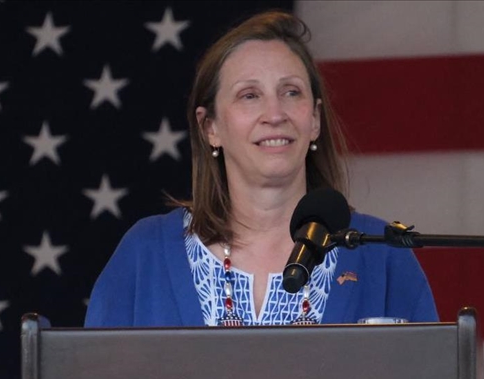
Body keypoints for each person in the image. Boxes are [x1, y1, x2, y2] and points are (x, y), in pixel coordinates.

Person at [84, 11, 437, 328]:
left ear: (314, 120)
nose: (275, 114)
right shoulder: (144, 253)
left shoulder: (382, 254)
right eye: (249, 95)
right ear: (210, 127)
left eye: (291, 92)